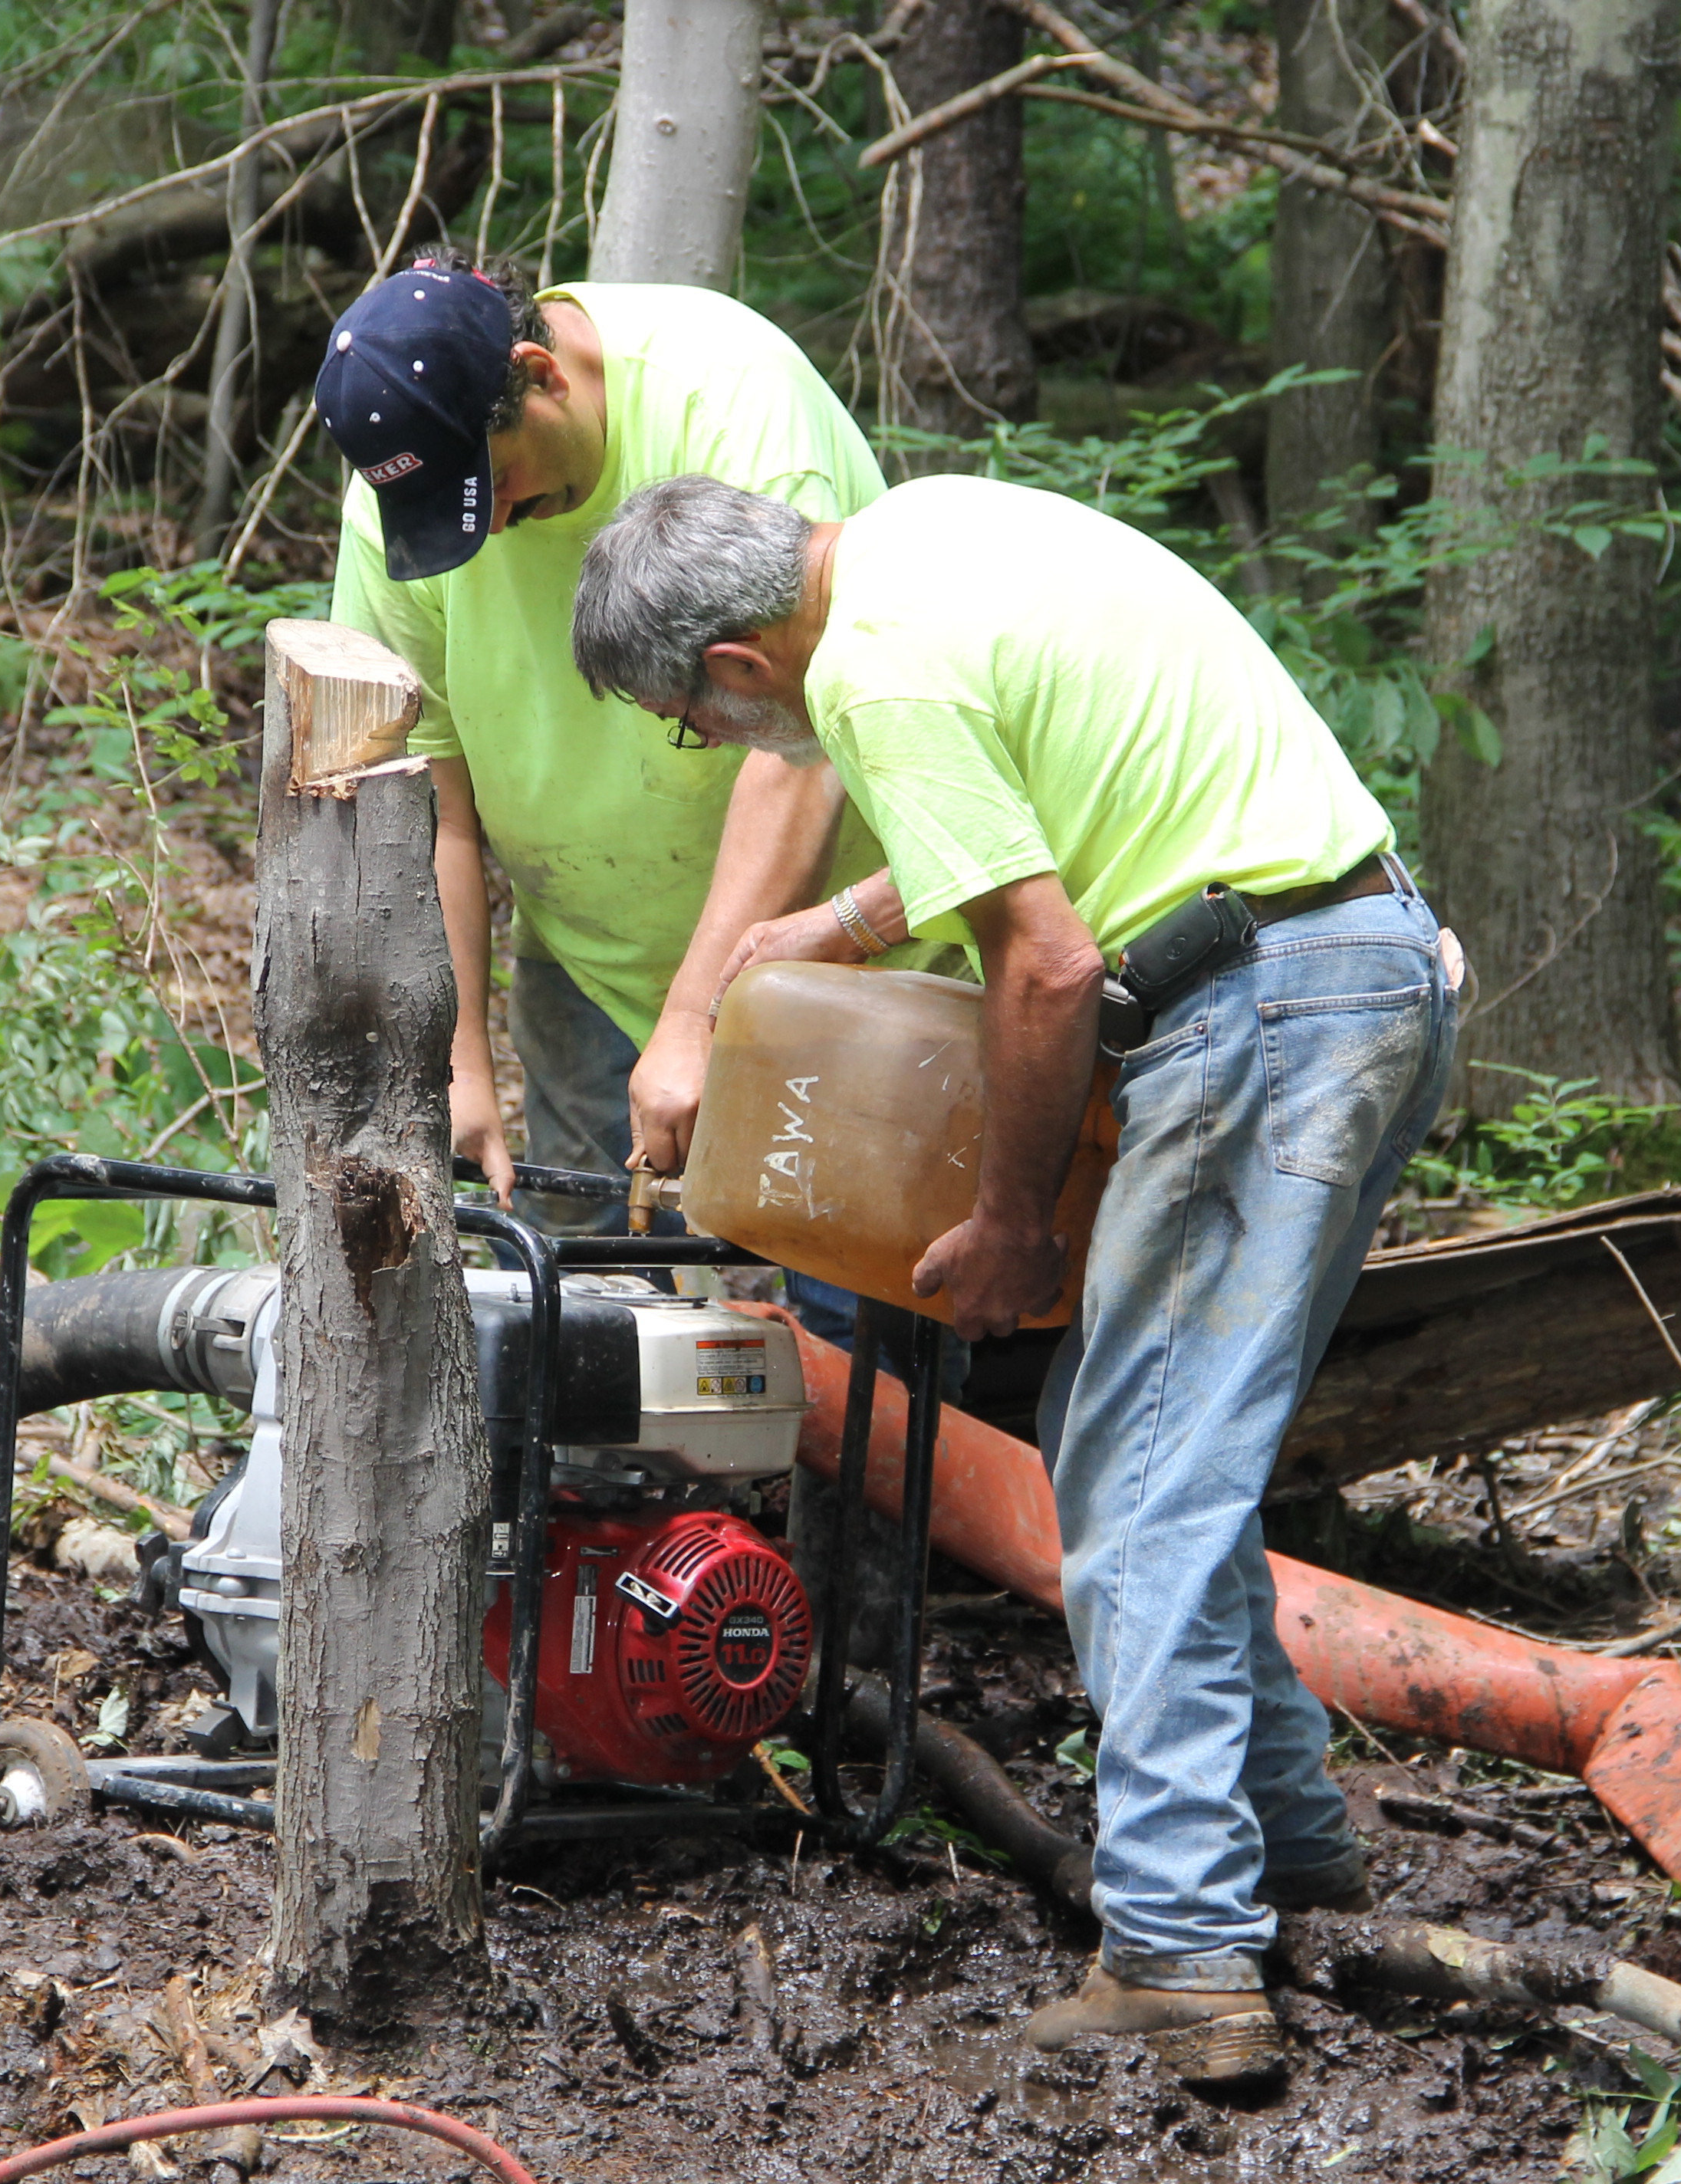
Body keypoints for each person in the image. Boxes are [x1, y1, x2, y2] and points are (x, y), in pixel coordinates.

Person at [570, 471, 1462, 2094]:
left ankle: (1182, 1953)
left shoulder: (870, 674)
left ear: (740, 662)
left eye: (695, 725)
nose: (717, 747)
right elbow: (1033, 811)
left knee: (1140, 1476)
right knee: (1156, 1442)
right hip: (1357, 962)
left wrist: (1007, 1222)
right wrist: (845, 922)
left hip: (1260, 1010)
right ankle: (1293, 1845)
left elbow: (1047, 964)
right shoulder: (929, 534)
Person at [314, 249, 939, 1252]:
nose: (493, 529)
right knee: (588, 1289)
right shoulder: (409, 487)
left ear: (540, 374)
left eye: (497, 487)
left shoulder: (730, 401)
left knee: (846, 1281)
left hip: (829, 943)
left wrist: (696, 1018)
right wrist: (458, 1058)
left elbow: (806, 744)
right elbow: (427, 793)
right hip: (587, 954)